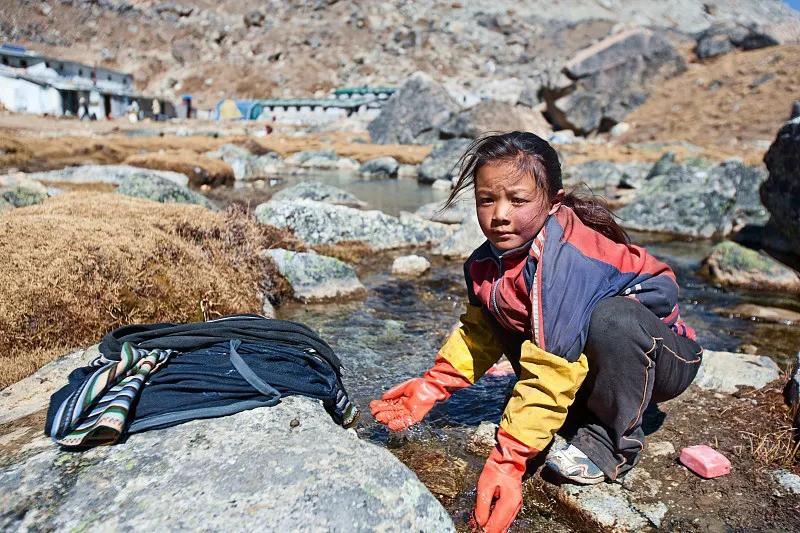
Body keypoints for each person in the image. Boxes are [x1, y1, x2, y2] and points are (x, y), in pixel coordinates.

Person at [370, 132, 702, 533]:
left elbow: (553, 363)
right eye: (487, 199)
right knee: (502, 309)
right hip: (594, 354)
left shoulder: (562, 261)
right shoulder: (485, 262)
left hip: (665, 357)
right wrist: (431, 387)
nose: (500, 215)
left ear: (553, 202)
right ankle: (577, 409)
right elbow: (481, 333)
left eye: (518, 200)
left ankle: (610, 443)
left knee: (613, 320)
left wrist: (508, 463)